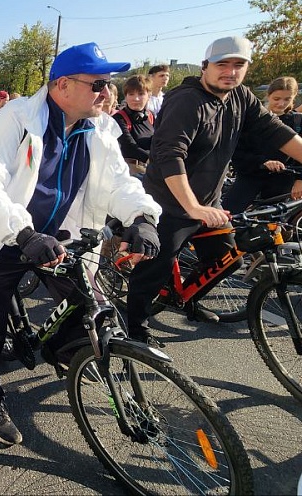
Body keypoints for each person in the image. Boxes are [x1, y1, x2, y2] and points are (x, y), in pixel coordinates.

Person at [0, 42, 161, 446]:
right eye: (98, 83)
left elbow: (120, 181)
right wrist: (24, 234)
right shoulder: (15, 119)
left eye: (109, 83)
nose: (106, 92)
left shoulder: (98, 126)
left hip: (60, 238)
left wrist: (142, 217)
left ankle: (67, 354)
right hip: (2, 237)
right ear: (63, 85)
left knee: (87, 304)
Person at [127, 37, 302, 345]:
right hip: (168, 203)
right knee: (155, 269)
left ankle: (187, 299)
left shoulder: (241, 97)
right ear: (205, 66)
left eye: (239, 65)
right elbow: (169, 155)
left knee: (229, 260)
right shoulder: (186, 101)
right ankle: (136, 331)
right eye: (222, 64)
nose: (231, 72)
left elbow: (278, 132)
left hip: (209, 200)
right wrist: (193, 208)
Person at [222, 76, 302, 213]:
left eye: (287, 99)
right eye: (277, 99)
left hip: (282, 181)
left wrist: (299, 180)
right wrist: (263, 162)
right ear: (268, 95)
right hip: (251, 175)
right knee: (228, 215)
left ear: (294, 98)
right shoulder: (252, 119)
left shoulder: (297, 122)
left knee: (275, 222)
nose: (281, 104)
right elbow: (238, 152)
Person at [111, 75, 154, 177]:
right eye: (131, 94)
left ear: (149, 95)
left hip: (151, 168)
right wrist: (153, 160)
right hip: (130, 171)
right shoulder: (118, 118)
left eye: (141, 94)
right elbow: (129, 146)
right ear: (125, 96)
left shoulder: (150, 116)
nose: (136, 98)